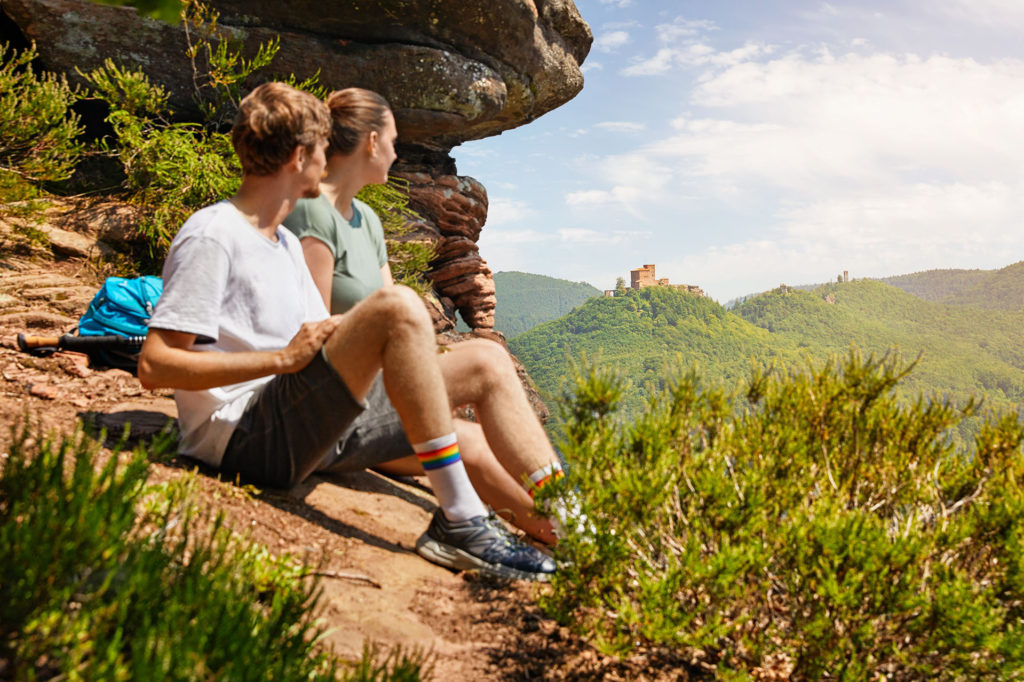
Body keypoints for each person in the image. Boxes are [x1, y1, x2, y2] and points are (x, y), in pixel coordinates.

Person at [138, 82, 555, 581]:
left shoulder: (283, 245)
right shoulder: (214, 234)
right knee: (399, 304)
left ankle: (581, 528)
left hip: (301, 418)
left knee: (485, 361)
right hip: (244, 435)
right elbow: (155, 364)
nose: (327, 159)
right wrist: (279, 361)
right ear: (298, 158)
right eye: (321, 150)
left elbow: (321, 342)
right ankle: (461, 523)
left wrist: (392, 358)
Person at [282, 88, 566, 545]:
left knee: (479, 394)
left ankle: (571, 528)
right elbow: (314, 336)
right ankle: (572, 534)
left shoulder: (366, 221)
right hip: (333, 405)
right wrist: (418, 386)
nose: (396, 152)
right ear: (371, 143)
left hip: (378, 391)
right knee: (478, 402)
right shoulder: (312, 215)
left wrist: (422, 373)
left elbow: (395, 316)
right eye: (392, 140)